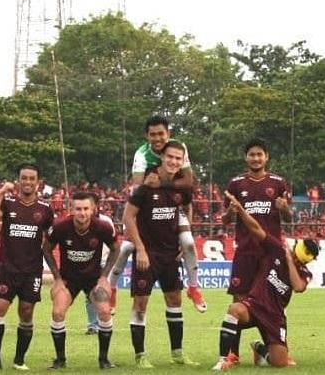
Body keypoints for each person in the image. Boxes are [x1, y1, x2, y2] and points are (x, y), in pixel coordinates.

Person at [108, 115, 206, 313]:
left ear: (168, 133)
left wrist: (161, 184)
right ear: (147, 136)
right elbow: (137, 189)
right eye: (153, 135)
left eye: (161, 133)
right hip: (146, 209)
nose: (158, 138)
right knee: (127, 247)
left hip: (172, 204)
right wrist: (148, 186)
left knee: (188, 242)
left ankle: (194, 287)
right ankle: (111, 287)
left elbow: (188, 182)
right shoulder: (142, 155)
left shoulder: (178, 148)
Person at [213, 192, 317, 370]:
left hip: (275, 317)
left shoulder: (304, 272)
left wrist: (290, 260)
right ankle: (224, 359)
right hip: (255, 306)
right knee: (234, 309)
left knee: (280, 363)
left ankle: (260, 349)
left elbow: (298, 286)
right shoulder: (275, 249)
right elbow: (256, 229)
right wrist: (241, 210)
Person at [123, 140, 199, 368]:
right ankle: (140, 356)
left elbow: (187, 206)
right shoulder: (147, 185)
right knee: (141, 303)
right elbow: (128, 217)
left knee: (174, 300)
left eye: (178, 158)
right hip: (148, 255)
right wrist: (141, 249)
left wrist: (185, 234)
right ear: (162, 157)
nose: (174, 161)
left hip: (170, 255)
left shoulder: (181, 188)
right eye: (170, 157)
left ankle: (177, 353)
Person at [0, 164, 54, 371]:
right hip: (8, 269)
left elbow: (51, 237)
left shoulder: (45, 208)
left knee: (26, 312)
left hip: (32, 270)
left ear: (38, 182)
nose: (27, 182)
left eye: (31, 178)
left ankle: (19, 360)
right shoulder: (8, 202)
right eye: (23, 178)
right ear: (18, 181)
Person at [222, 138, 292, 358]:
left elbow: (289, 216)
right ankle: (232, 353)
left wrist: (284, 208)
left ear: (266, 157)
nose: (255, 158)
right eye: (252, 154)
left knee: (275, 303)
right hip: (245, 252)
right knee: (239, 301)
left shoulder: (278, 183)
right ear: (246, 157)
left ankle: (272, 348)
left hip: (271, 255)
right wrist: (231, 212)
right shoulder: (236, 184)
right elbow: (225, 220)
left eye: (259, 154)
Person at [42, 191, 120, 369]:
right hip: (69, 279)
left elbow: (116, 248)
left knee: (105, 311)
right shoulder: (61, 226)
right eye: (78, 209)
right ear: (72, 209)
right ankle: (60, 360)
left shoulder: (102, 227)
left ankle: (104, 360)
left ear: (93, 209)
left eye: (86, 208)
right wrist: (58, 279)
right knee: (57, 312)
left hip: (93, 278)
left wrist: (103, 277)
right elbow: (46, 249)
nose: (82, 213)